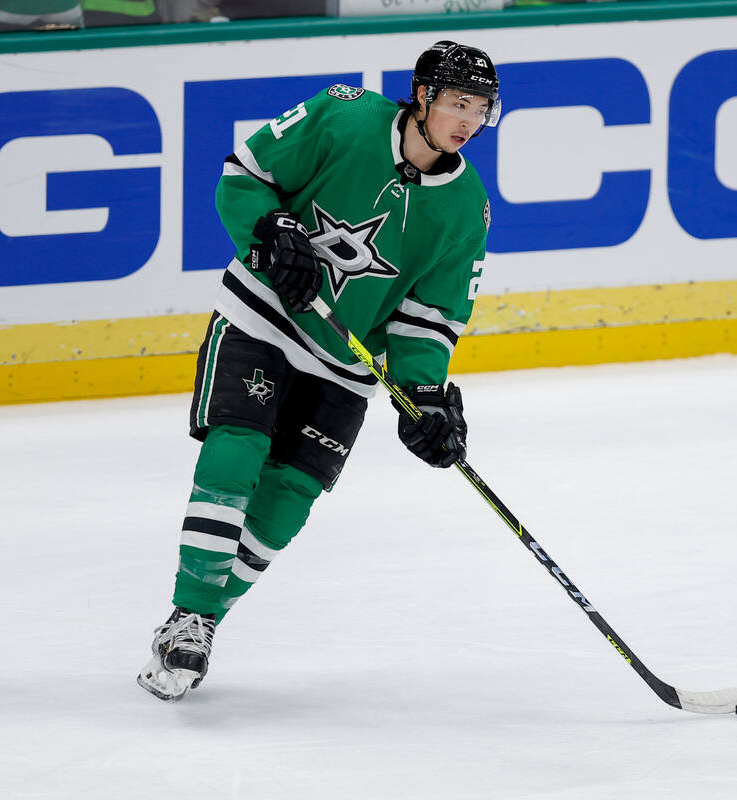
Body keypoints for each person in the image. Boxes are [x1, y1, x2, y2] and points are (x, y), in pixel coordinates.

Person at [137, 40, 500, 701]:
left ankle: (199, 626)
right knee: (237, 446)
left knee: (286, 504)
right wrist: (271, 226)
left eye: (481, 109)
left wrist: (427, 394)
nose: (469, 122)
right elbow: (245, 175)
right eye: (457, 104)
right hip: (262, 316)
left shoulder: (465, 204)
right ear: (422, 98)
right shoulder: (346, 115)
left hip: (344, 362)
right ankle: (190, 606)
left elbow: (429, 315)